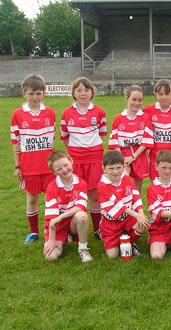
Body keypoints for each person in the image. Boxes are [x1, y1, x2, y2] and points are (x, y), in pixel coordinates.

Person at [10, 73, 55, 244]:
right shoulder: (17, 114)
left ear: (44, 93)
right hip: (29, 166)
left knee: (53, 198)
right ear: (24, 94)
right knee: (32, 199)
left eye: (38, 93)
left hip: (48, 166)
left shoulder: (50, 113)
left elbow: (50, 141)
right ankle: (34, 232)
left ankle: (55, 228)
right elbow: (16, 143)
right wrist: (17, 167)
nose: (35, 97)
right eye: (31, 93)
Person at [60, 77, 107, 240]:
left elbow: (101, 134)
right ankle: (73, 230)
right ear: (73, 93)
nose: (83, 93)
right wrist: (75, 152)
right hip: (76, 160)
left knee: (94, 196)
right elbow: (65, 137)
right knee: (74, 195)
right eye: (79, 90)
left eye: (86, 90)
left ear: (91, 92)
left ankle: (97, 229)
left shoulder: (99, 112)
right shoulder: (67, 113)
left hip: (94, 159)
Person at [97, 151, 151, 259]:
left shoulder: (126, 179)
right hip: (111, 224)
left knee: (143, 224)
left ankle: (130, 243)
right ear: (104, 168)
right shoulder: (102, 185)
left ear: (123, 167)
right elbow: (118, 205)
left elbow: (135, 195)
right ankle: (110, 238)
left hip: (127, 219)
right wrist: (137, 215)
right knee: (112, 255)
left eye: (118, 167)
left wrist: (140, 213)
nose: (115, 171)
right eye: (111, 168)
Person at [43, 151, 92, 262]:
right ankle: (62, 239)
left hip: (72, 223)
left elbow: (81, 206)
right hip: (58, 226)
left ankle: (83, 249)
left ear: (71, 161)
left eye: (66, 165)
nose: (64, 170)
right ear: (54, 172)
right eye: (59, 169)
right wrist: (51, 239)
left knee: (82, 216)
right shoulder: (51, 188)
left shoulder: (81, 183)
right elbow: (52, 219)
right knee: (51, 257)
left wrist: (61, 216)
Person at [108, 85, 153, 194]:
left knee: (137, 188)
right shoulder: (118, 118)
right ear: (127, 98)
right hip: (122, 155)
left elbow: (146, 141)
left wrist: (133, 157)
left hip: (139, 155)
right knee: (123, 181)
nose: (137, 103)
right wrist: (122, 158)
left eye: (140, 100)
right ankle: (123, 208)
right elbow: (115, 142)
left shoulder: (145, 117)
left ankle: (136, 209)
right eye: (134, 99)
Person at [143, 80, 171, 180]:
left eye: (167, 94)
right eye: (160, 94)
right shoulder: (148, 110)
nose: (164, 97)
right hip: (156, 157)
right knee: (157, 186)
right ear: (155, 94)